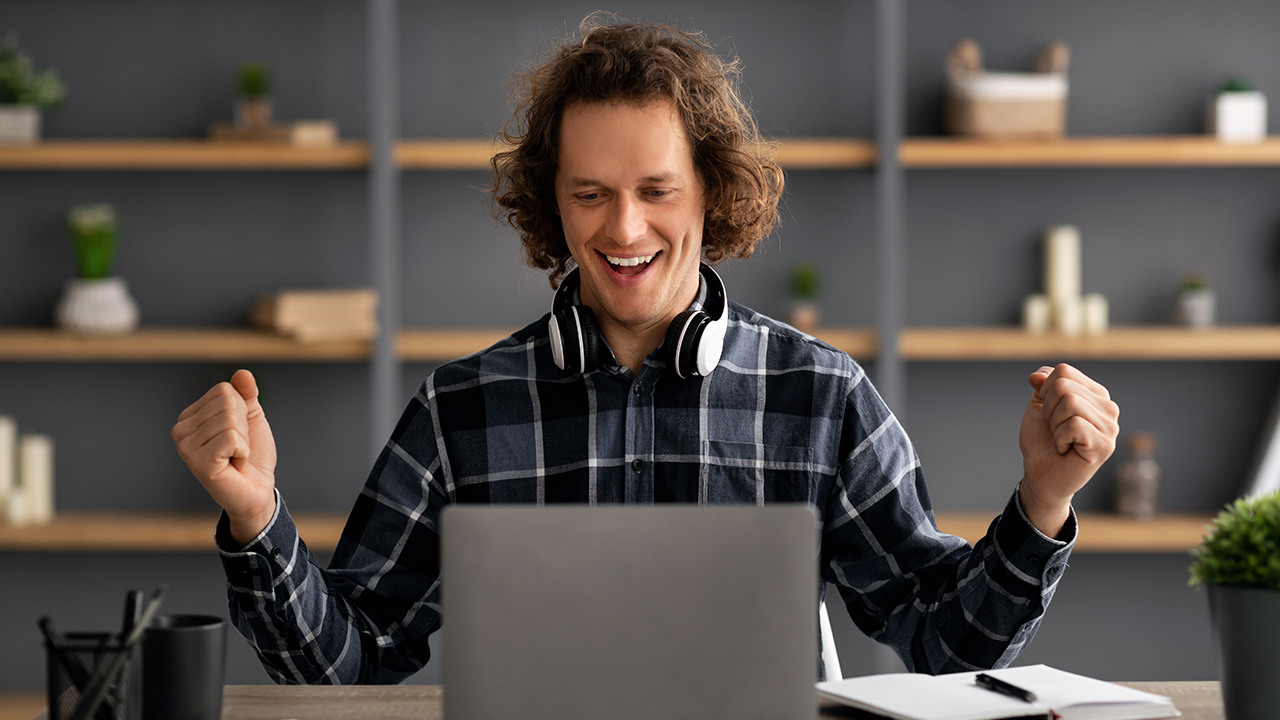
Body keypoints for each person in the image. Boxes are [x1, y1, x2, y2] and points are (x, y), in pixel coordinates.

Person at [171, 16, 1119, 685]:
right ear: (553, 203)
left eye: (657, 189)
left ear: (712, 190)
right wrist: (258, 519)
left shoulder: (820, 397)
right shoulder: (459, 411)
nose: (624, 227)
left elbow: (942, 644)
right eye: (590, 194)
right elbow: (352, 665)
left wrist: (1044, 499)